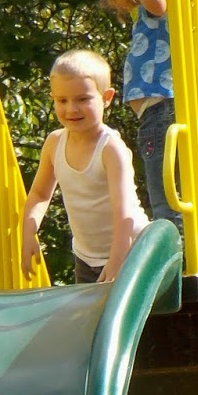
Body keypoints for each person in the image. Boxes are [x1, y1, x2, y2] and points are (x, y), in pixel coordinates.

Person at [21, 49, 149, 285]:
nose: (71, 109)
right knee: (89, 309)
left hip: (131, 251)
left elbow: (124, 213)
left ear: (106, 98)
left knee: (122, 309)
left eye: (83, 99)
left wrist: (117, 261)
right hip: (86, 258)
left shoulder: (110, 149)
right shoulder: (54, 143)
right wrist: (29, 231)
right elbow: (39, 194)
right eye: (62, 100)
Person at [100, 0, 183, 233]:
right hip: (157, 112)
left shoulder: (159, 3)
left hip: (162, 110)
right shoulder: (144, 13)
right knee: (168, 198)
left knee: (167, 204)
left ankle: (179, 255)